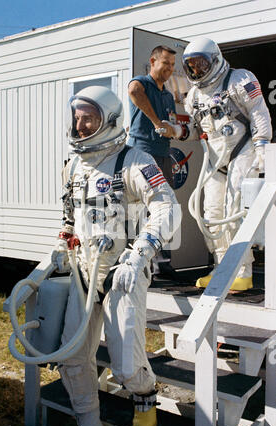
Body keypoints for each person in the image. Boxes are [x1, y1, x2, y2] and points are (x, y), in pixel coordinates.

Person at [51, 86, 181, 426]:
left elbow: (168, 208)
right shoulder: (74, 164)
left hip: (124, 269)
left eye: (87, 118)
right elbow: (69, 215)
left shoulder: (135, 160)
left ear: (108, 120)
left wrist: (141, 252)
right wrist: (63, 243)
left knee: (125, 367)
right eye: (76, 118)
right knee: (72, 359)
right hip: (83, 273)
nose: (79, 126)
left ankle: (144, 391)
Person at [166, 37, 272, 291]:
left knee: (234, 212)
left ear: (214, 60)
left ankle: (243, 271)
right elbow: (196, 129)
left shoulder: (239, 79)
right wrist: (177, 131)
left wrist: (262, 146)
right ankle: (222, 268)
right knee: (212, 216)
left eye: (201, 64)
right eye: (191, 66)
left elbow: (259, 111)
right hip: (215, 158)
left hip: (242, 149)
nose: (197, 70)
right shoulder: (194, 95)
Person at [128, 45, 183, 278]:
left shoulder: (168, 95)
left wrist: (171, 130)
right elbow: (134, 91)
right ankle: (140, 263)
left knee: (167, 208)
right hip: (143, 154)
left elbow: (169, 123)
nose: (169, 69)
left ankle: (163, 262)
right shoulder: (142, 83)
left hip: (164, 155)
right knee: (140, 210)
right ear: (153, 61)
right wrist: (156, 122)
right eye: (165, 64)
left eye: (172, 65)